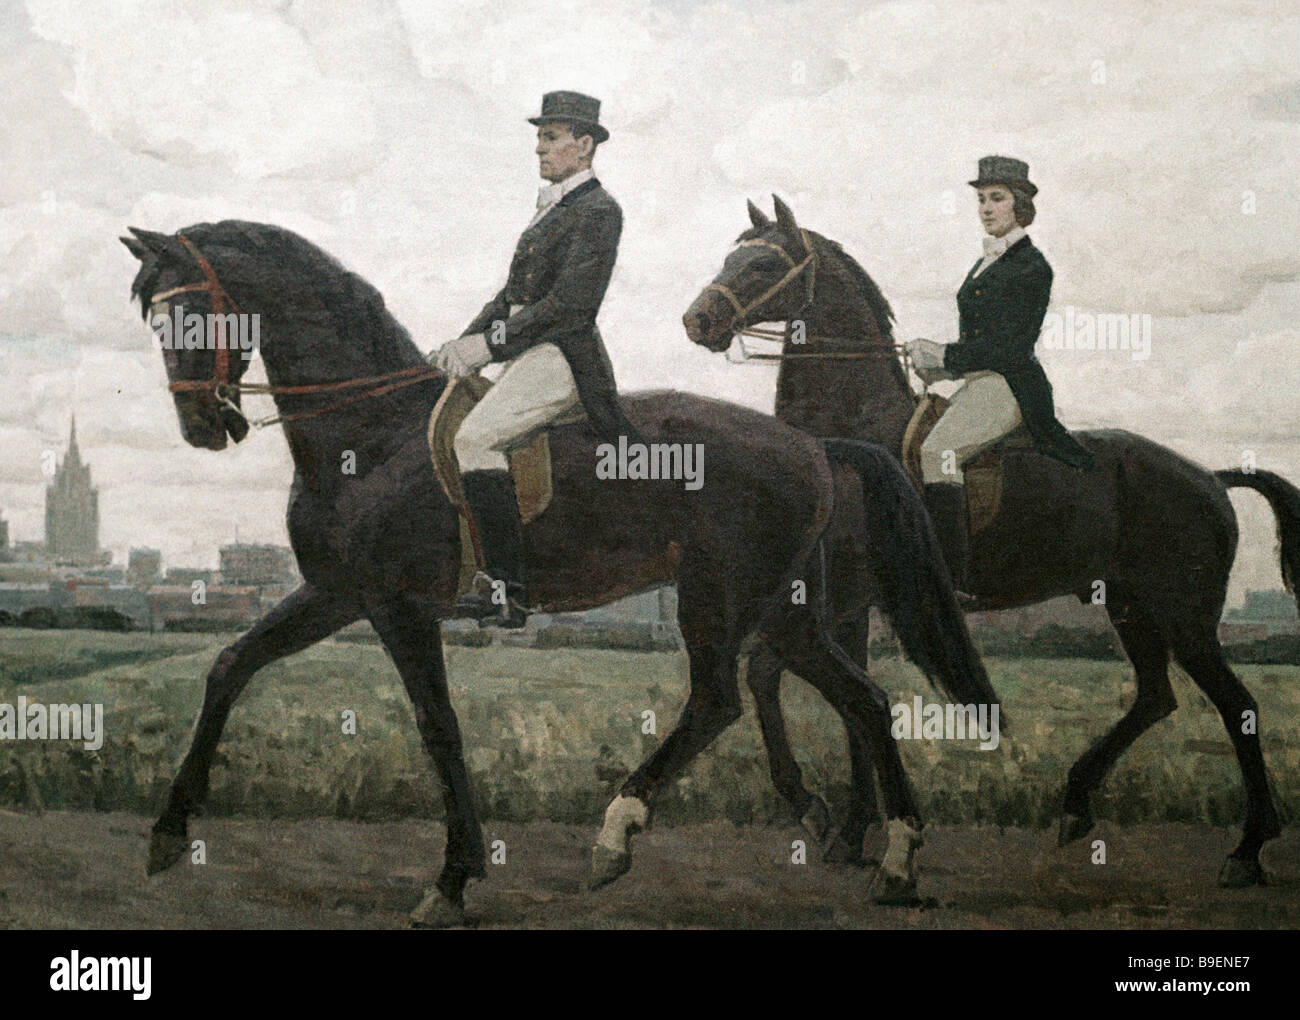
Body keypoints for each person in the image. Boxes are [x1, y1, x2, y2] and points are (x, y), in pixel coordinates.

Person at [433, 90, 637, 628]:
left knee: (475, 438)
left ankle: (507, 587)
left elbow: (570, 307)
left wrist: (489, 346)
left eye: (550, 138)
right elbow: (508, 298)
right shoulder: (549, 211)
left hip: (564, 355)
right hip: (526, 347)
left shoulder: (599, 210)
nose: (539, 150)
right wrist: (462, 345)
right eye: (539, 139)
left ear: (584, 144)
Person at [906, 156, 1094, 594]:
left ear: (1019, 205)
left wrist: (943, 354)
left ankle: (950, 581)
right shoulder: (985, 261)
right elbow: (982, 338)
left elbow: (1009, 347)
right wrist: (938, 366)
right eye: (981, 199)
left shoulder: (1032, 266)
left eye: (997, 199)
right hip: (978, 382)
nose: (986, 208)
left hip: (1011, 386)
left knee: (939, 452)